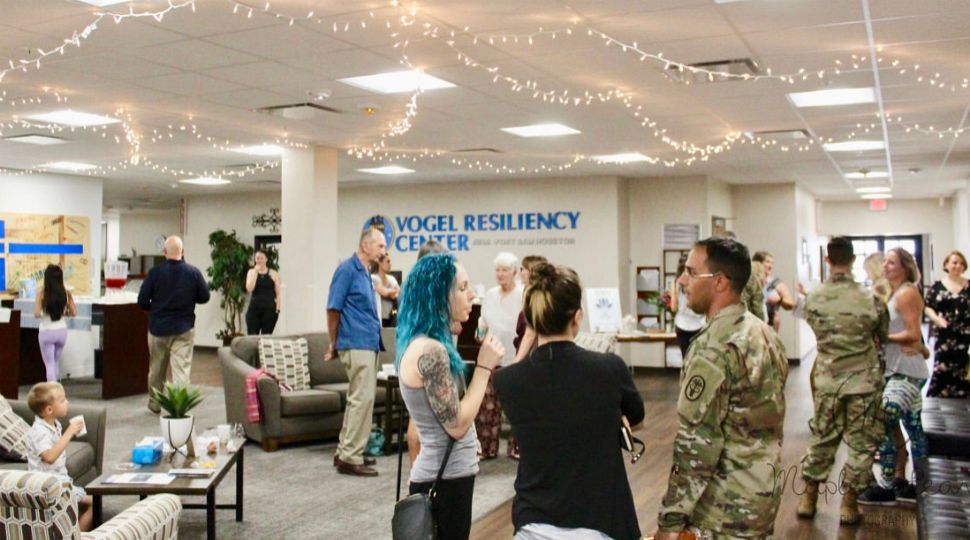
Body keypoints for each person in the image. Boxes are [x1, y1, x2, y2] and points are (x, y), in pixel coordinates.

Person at [494, 262, 644, 540]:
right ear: (577, 317)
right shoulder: (609, 369)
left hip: (532, 524)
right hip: (600, 521)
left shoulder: (507, 381)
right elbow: (637, 416)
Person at [654, 236, 788, 540]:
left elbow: (696, 445)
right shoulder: (764, 334)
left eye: (691, 272)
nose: (683, 281)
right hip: (761, 493)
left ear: (719, 282)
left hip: (725, 507)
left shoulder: (711, 348)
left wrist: (670, 522)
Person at [396, 252, 504, 540]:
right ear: (437, 297)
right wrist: (483, 367)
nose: (471, 295)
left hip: (446, 476)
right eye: (461, 288)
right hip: (444, 480)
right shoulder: (431, 351)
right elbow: (456, 425)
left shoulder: (427, 344)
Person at [796, 237, 889, 525]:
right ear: (852, 261)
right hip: (863, 380)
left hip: (828, 380)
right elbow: (881, 335)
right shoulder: (870, 298)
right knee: (861, 444)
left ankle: (808, 497)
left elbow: (813, 325)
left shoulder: (814, 298)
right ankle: (849, 503)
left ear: (828, 260)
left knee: (823, 438)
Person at [858, 247, 930, 506]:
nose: (886, 266)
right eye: (885, 262)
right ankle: (915, 484)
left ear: (905, 266)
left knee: (884, 420)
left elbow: (913, 334)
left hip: (907, 372)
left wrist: (881, 337)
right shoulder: (896, 292)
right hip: (898, 368)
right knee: (913, 429)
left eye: (891, 262)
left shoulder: (907, 292)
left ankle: (887, 487)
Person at [327, 227, 387, 477]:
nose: (384, 251)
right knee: (361, 400)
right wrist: (333, 342)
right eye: (381, 246)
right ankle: (350, 457)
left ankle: (348, 451)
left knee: (362, 399)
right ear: (365, 245)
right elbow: (333, 309)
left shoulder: (364, 272)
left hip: (368, 342)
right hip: (355, 342)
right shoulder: (347, 270)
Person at [137, 235, 210, 413]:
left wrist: (153, 310)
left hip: (158, 329)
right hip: (184, 329)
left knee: (156, 369)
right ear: (182, 252)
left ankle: (155, 403)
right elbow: (205, 297)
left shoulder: (155, 273)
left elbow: (142, 301)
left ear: (164, 253)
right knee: (181, 371)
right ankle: (179, 406)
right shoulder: (193, 272)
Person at [474, 252, 524, 459]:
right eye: (497, 270)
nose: (500, 274)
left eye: (504, 270)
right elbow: (483, 322)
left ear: (514, 272)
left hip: (514, 357)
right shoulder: (491, 295)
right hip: (492, 356)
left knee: (516, 407)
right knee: (487, 407)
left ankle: (516, 448)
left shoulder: (523, 294)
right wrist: (480, 332)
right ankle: (486, 448)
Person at [25, 382, 92, 531]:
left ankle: (72, 530)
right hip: (48, 487)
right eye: (62, 400)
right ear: (49, 409)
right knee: (94, 504)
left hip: (61, 481)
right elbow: (49, 456)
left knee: (84, 506)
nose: (67, 402)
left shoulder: (55, 424)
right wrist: (70, 432)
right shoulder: (39, 432)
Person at [924, 250, 970, 398]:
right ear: (946, 265)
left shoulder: (969, 285)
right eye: (954, 262)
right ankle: (939, 401)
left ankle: (962, 401)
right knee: (942, 365)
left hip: (965, 334)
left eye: (961, 263)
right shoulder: (937, 286)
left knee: (963, 365)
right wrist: (936, 318)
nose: (958, 266)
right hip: (944, 333)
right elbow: (927, 306)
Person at [33, 264, 77, 382]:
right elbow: (74, 313)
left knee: (49, 364)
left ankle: (52, 391)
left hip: (47, 331)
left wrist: (46, 313)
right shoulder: (66, 293)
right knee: (55, 362)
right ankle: (57, 390)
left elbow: (37, 313)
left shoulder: (42, 293)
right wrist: (62, 313)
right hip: (62, 331)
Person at [670, 254, 705, 358]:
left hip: (682, 325)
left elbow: (673, 308)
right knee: (699, 359)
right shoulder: (697, 281)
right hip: (699, 324)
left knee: (686, 360)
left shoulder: (676, 282)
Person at [753, 251, 797, 332]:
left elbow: (792, 304)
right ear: (757, 263)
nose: (770, 266)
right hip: (752, 325)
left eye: (772, 263)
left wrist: (779, 300)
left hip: (770, 326)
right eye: (767, 262)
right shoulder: (749, 282)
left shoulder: (776, 283)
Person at [245, 250, 281, 335]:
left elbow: (279, 294)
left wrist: (278, 310)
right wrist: (255, 272)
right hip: (254, 309)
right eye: (257, 258)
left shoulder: (274, 274)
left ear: (266, 259)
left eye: (261, 258)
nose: (259, 260)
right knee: (252, 336)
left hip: (269, 310)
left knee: (266, 336)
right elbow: (249, 288)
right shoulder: (251, 272)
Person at [371, 254, 400, 326]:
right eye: (388, 261)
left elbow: (399, 294)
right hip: (377, 318)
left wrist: (393, 293)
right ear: (380, 263)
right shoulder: (373, 278)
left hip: (391, 316)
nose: (390, 264)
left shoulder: (392, 279)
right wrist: (391, 292)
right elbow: (385, 292)